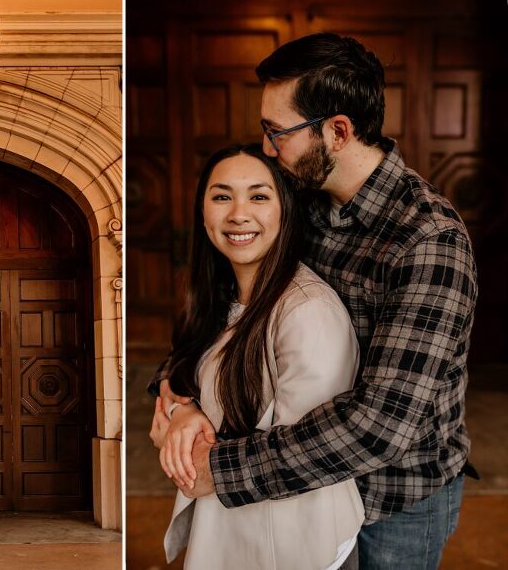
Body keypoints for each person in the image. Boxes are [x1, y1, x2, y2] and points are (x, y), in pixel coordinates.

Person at [151, 32, 478, 570]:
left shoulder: (428, 240)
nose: (266, 148)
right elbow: (224, 316)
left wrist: (220, 468)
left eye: (277, 132)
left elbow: (380, 427)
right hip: (297, 495)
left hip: (393, 500)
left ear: (338, 131)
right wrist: (180, 398)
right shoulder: (294, 200)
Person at [153, 143, 364, 569]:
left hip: (295, 544)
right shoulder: (219, 297)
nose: (238, 214)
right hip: (230, 529)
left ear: (284, 210)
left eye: (259, 196)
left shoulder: (307, 311)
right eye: (222, 196)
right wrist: (183, 410)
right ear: (203, 210)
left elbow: (308, 454)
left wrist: (190, 456)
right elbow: (183, 365)